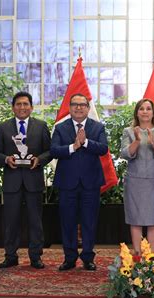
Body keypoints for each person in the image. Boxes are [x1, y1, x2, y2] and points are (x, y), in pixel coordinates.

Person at [0, 91, 52, 269]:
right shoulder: (3, 127)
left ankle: (36, 257)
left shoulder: (41, 126)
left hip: (33, 181)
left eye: (26, 104)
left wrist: (39, 160)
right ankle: (10, 256)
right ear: (13, 108)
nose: (22, 107)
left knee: (35, 221)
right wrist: (6, 159)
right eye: (18, 104)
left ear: (31, 107)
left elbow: (49, 151)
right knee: (11, 221)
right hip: (12, 182)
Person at [51, 93, 108, 271]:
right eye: (75, 105)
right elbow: (54, 151)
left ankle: (88, 258)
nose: (78, 108)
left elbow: (103, 149)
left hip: (90, 184)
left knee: (89, 222)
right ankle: (69, 258)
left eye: (82, 105)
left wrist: (85, 143)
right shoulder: (61, 128)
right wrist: (73, 146)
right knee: (67, 222)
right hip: (67, 183)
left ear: (88, 108)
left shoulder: (97, 127)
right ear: (69, 108)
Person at [120, 99, 154, 254]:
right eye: (141, 108)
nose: (145, 111)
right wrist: (137, 141)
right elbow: (124, 153)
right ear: (137, 112)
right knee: (135, 219)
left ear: (153, 112)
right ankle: (137, 255)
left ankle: (150, 257)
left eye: (148, 108)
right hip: (135, 181)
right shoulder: (128, 131)